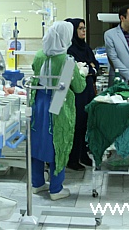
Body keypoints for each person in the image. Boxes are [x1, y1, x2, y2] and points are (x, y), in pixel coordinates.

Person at [30, 21, 86, 200]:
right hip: (58, 105)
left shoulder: (39, 55)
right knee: (58, 144)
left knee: (38, 142)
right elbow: (79, 87)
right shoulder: (67, 61)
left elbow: (36, 74)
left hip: (39, 103)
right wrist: (81, 72)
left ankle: (37, 183)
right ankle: (56, 189)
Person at [65, 18, 100, 171]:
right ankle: (72, 159)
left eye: (84, 28)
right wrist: (89, 68)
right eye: (80, 28)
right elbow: (77, 71)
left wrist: (90, 69)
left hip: (88, 91)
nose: (84, 31)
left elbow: (94, 65)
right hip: (77, 93)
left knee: (85, 123)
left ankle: (83, 154)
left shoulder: (85, 47)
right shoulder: (70, 50)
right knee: (77, 124)